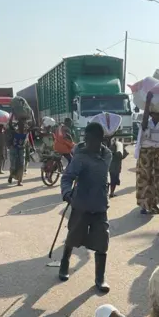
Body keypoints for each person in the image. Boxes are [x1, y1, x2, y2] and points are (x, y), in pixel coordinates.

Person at [59, 122, 113, 293]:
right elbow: (67, 178)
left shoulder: (107, 155)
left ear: (101, 140)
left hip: (100, 206)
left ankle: (100, 278)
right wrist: (67, 194)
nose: (88, 143)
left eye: (92, 140)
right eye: (86, 139)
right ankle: (64, 263)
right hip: (81, 205)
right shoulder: (80, 157)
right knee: (73, 237)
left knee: (102, 241)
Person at [6, 117, 30, 186]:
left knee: (21, 165)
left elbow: (33, 124)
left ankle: (20, 181)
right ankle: (11, 175)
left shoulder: (26, 131)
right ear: (18, 125)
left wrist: (32, 114)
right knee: (13, 165)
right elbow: (10, 124)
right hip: (14, 149)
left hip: (22, 150)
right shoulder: (14, 131)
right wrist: (12, 114)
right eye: (20, 124)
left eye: (23, 124)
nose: (22, 125)